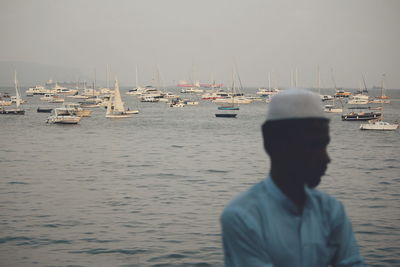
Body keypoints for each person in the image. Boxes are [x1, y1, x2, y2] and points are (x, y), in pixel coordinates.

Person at [220, 89, 365, 267]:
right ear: (271, 142)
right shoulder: (242, 217)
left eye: (324, 145)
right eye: (312, 146)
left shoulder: (331, 211)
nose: (326, 158)